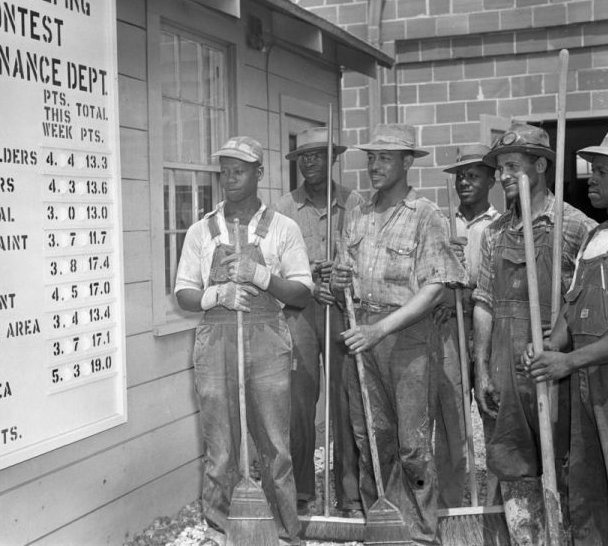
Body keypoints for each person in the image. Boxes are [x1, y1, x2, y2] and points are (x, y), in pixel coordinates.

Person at [522, 124, 608, 546]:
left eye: (602, 171)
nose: (591, 179)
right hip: (587, 385)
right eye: (592, 170)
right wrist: (550, 348)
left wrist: (569, 361)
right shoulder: (595, 237)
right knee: (588, 498)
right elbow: (571, 309)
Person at [329, 123, 466, 543]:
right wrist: (337, 280)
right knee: (370, 435)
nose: (374, 166)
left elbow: (436, 286)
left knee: (411, 443)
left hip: (405, 337)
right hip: (360, 333)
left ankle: (421, 532)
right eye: (371, 158)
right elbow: (343, 276)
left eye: (385, 158)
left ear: (408, 163)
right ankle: (383, 526)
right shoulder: (358, 211)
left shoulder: (426, 215)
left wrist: (379, 330)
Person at [174, 136, 313, 546]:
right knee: (220, 448)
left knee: (275, 446)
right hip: (215, 340)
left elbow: (302, 292)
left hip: (267, 339)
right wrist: (216, 295)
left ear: (259, 173)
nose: (230, 178)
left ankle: (284, 533)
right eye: (225, 171)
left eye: (239, 170)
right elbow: (183, 292)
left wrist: (260, 276)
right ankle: (221, 531)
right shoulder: (202, 231)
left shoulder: (283, 229)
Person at [471, 122, 596, 544]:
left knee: (563, 460)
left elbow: (585, 305)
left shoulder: (575, 227)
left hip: (554, 366)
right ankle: (527, 538)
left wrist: (563, 336)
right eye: (501, 168)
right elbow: (484, 301)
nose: (503, 176)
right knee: (512, 460)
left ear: (540, 165)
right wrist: (482, 368)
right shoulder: (495, 232)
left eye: (511, 166)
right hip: (507, 364)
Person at [275, 127, 363, 517]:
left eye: (318, 156)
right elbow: (272, 266)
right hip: (300, 315)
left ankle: (350, 495)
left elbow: (365, 257)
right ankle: (302, 493)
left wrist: (341, 275)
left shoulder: (354, 203)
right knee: (299, 401)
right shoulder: (282, 208)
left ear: (332, 159)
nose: (310, 163)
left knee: (346, 401)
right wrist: (309, 277)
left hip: (343, 310)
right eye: (304, 157)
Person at [433, 144, 500, 508]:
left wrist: (468, 290)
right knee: (452, 420)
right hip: (450, 330)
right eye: (460, 176)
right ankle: (451, 503)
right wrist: (447, 284)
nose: (464, 182)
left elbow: (497, 290)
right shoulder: (443, 224)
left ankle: (494, 502)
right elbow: (428, 278)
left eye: (473, 175)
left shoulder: (500, 226)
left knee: (493, 411)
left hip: (487, 330)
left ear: (491, 180)